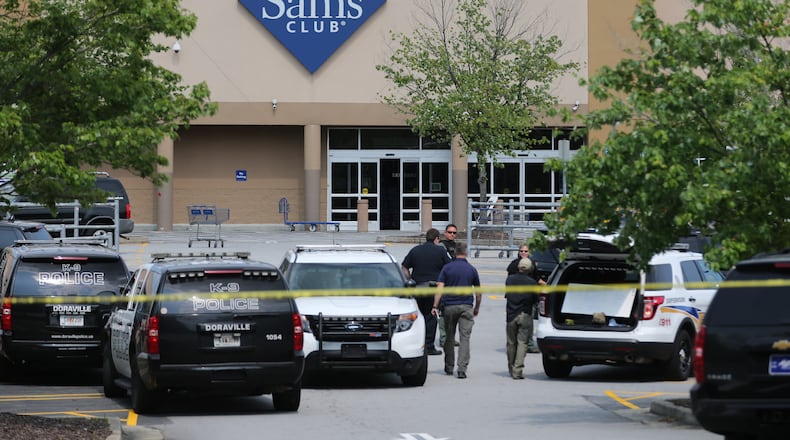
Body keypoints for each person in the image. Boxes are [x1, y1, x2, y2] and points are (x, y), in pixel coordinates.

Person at [431, 242, 481, 379]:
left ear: (454, 253)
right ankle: (462, 369)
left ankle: (449, 366)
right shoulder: (471, 269)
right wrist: (476, 307)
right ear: (465, 253)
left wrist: (435, 306)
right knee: (465, 338)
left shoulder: (447, 268)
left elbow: (439, 288)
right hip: (466, 306)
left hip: (449, 307)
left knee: (449, 337)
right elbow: (478, 292)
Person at [402, 228, 451, 356]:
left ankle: (418, 343)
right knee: (431, 315)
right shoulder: (440, 250)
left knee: (418, 316)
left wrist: (410, 279)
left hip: (417, 287)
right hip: (433, 288)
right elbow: (448, 267)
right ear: (436, 239)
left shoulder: (415, 250)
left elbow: (404, 267)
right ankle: (428, 346)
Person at [506, 244, 545, 353]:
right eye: (521, 251)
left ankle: (529, 344)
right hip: (515, 298)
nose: (523, 253)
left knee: (529, 322)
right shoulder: (513, 265)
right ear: (518, 252)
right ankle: (519, 344)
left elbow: (537, 279)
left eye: (526, 251)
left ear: (529, 252)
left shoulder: (532, 264)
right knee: (513, 322)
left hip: (527, 298)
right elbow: (509, 280)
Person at [505, 258, 540, 379]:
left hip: (511, 314)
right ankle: (517, 370)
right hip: (525, 314)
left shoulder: (510, 279)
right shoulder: (532, 282)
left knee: (511, 343)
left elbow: (507, 295)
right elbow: (536, 299)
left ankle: (511, 367)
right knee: (522, 343)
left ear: (519, 267)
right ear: (530, 269)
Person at [438, 224, 459, 347]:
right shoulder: (441, 246)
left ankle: (450, 338)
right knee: (443, 312)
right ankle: (443, 338)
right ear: (445, 233)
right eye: (450, 232)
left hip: (454, 283)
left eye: (454, 233)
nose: (452, 234)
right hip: (444, 282)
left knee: (453, 312)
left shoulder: (457, 246)